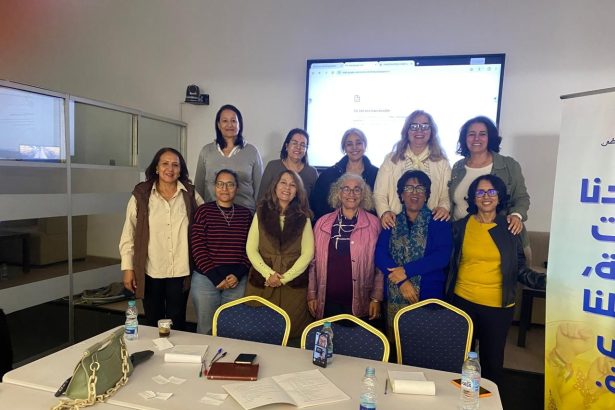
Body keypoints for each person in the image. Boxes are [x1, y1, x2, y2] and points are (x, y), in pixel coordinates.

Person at [447, 174, 545, 386]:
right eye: (480, 192)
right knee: (459, 361)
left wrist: (544, 281)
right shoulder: (460, 227)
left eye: (491, 192)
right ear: (473, 197)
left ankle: (489, 401)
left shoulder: (511, 227)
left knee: (492, 364)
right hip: (462, 303)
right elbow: (450, 264)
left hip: (497, 307)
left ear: (499, 197)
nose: (486, 196)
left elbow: (519, 269)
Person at [119, 147, 204, 330]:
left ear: (180, 170)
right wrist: (128, 268)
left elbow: (206, 223)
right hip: (151, 269)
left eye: (175, 165)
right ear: (156, 168)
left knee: (177, 321)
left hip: (180, 269)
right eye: (165, 164)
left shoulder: (190, 194)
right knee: (153, 320)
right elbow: (129, 232)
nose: (170, 169)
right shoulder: (141, 194)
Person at [375, 170, 452, 335]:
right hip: (395, 292)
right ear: (401, 195)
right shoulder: (391, 221)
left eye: (420, 188)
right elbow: (380, 255)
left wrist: (406, 271)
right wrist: (402, 281)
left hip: (428, 294)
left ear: (427, 195)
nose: (414, 193)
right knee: (396, 344)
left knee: (425, 343)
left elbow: (442, 257)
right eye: (408, 188)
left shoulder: (439, 222)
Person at [245, 170, 314, 339]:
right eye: (283, 182)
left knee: (292, 332)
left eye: (293, 185)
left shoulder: (303, 217)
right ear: (275, 186)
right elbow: (251, 249)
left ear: (297, 191)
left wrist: (283, 278)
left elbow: (307, 254)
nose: (287, 188)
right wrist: (269, 274)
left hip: (292, 284)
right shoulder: (261, 212)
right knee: (258, 331)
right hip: (263, 280)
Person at [308, 173, 382, 322]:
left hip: (361, 303)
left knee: (357, 338)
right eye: (346, 189)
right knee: (327, 338)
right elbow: (313, 263)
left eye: (357, 189)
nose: (351, 194)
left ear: (363, 194)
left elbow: (379, 266)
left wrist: (376, 298)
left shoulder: (375, 224)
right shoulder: (322, 223)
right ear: (338, 192)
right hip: (327, 302)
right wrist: (312, 294)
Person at [448, 116, 530, 244]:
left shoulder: (508, 165)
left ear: (490, 137)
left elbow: (521, 197)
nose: (476, 138)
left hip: (502, 239)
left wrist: (516, 215)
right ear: (465, 138)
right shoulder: (457, 167)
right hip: (463, 238)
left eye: (482, 134)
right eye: (471, 134)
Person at [190, 169, 252, 334]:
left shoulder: (245, 215)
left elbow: (251, 249)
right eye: (220, 184)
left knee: (232, 329)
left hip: (236, 281)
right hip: (206, 280)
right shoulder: (203, 211)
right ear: (214, 187)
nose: (225, 189)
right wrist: (215, 277)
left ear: (237, 188)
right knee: (206, 329)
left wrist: (238, 274)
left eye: (230, 184)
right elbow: (197, 247)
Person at [373, 110, 451, 229]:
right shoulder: (391, 159)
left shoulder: (442, 162)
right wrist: (384, 212)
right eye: (414, 126)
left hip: (431, 226)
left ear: (431, 131)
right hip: (395, 225)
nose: (419, 130)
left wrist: (444, 207)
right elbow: (379, 194)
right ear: (406, 131)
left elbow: (446, 195)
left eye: (425, 126)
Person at [194, 104, 263, 212]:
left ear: (240, 124)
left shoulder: (252, 152)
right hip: (212, 215)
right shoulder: (206, 151)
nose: (229, 125)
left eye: (234, 121)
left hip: (245, 215)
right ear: (218, 125)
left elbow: (260, 190)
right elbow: (198, 189)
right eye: (225, 121)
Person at [310, 128, 379, 220]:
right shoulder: (328, 175)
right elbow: (317, 204)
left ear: (364, 145)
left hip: (369, 226)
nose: (354, 147)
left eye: (358, 143)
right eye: (349, 144)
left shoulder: (377, 174)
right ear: (344, 148)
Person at [257, 128, 318, 201]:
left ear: (306, 150)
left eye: (303, 145)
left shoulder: (312, 172)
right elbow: (261, 198)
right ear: (286, 146)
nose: (298, 147)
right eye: (294, 143)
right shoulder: (272, 167)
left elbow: (315, 202)